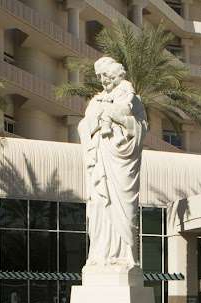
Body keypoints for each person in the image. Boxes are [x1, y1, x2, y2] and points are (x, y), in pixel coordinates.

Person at [77, 57, 148, 269]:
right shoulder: (96, 101)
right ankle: (100, 255)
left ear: (116, 74)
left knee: (124, 207)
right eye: (99, 76)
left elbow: (141, 128)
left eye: (105, 75)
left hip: (121, 160)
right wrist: (97, 120)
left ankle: (126, 255)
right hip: (100, 158)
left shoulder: (132, 98)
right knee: (100, 204)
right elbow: (83, 126)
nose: (103, 80)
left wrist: (117, 118)